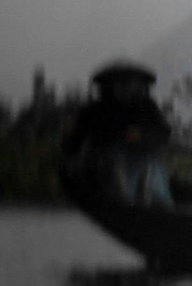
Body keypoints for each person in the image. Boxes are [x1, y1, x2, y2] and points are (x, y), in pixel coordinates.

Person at [62, 59, 174, 206]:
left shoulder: (147, 108)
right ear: (110, 85)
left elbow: (163, 133)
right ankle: (122, 204)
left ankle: (148, 205)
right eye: (121, 82)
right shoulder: (94, 110)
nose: (127, 87)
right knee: (114, 164)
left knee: (149, 169)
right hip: (105, 164)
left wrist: (141, 138)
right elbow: (74, 142)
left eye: (131, 82)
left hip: (142, 161)